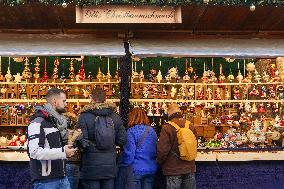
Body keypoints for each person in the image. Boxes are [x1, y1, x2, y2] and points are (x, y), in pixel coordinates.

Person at [27, 88, 77, 189]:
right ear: (55, 101)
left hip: (62, 178)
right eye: (64, 101)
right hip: (46, 182)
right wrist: (63, 152)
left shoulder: (57, 122)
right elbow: (34, 151)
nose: (66, 104)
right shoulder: (37, 122)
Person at [78, 87, 127, 189]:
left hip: (90, 167)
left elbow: (82, 142)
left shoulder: (84, 116)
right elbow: (123, 140)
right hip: (110, 166)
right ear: (105, 99)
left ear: (92, 99)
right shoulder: (116, 117)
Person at [157, 103, 197, 189]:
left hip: (173, 169)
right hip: (189, 168)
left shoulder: (167, 127)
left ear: (169, 114)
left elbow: (162, 150)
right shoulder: (190, 125)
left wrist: (158, 162)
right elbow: (194, 144)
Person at [118, 107, 158, 189]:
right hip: (151, 167)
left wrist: (122, 164)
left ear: (131, 117)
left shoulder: (131, 131)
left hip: (136, 169)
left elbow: (129, 154)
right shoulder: (152, 131)